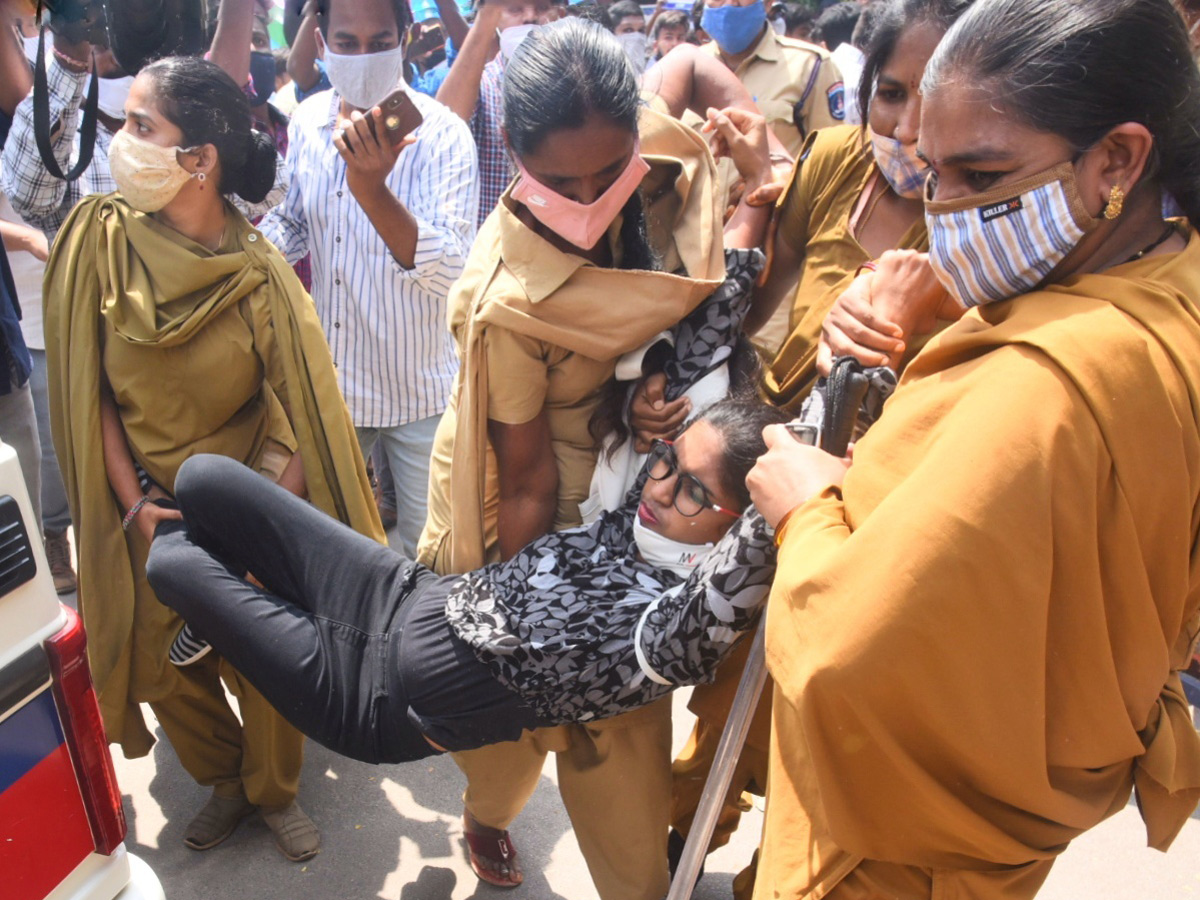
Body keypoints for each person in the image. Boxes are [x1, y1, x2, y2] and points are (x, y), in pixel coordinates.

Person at [750, 0, 1200, 896]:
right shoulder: (1168, 285)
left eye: (981, 173)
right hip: (1020, 795)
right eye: (931, 173)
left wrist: (808, 508)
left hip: (889, 838)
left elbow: (848, 664)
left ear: (1118, 156)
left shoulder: (1043, 387)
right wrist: (957, 318)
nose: (943, 210)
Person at [418, 18, 772, 896]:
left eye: (607, 175)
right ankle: (488, 813)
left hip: (637, 496)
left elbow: (688, 72)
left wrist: (641, 395)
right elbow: (531, 483)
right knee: (507, 732)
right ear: (514, 152)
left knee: (625, 753)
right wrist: (525, 631)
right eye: (557, 181)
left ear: (635, 140)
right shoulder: (508, 300)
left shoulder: (659, 167)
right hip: (528, 506)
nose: (586, 200)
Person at [646, 2, 972, 895]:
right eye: (892, 94)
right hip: (771, 467)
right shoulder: (836, 165)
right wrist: (687, 391)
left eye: (932, 99)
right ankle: (682, 839)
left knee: (811, 711)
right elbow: (756, 299)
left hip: (871, 508)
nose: (905, 126)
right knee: (724, 692)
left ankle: (771, 876)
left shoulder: (985, 228)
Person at [44, 56, 383, 863]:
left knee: (266, 657)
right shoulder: (98, 241)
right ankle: (224, 782)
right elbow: (88, 394)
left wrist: (252, 517)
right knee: (163, 668)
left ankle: (273, 792)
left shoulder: (260, 275)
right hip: (146, 500)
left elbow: (304, 416)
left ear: (198, 161)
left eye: (140, 128)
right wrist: (136, 507)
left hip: (252, 489)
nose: (121, 144)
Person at [147, 397, 781, 768]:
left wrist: (807, 472)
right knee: (206, 479)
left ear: (739, 522)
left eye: (696, 490)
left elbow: (746, 560)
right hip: (395, 592)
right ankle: (249, 600)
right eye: (668, 460)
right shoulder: (640, 516)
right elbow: (710, 327)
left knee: (170, 566)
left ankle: (237, 605)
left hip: (368, 698)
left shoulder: (672, 631)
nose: (662, 487)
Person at [259, 0, 478, 558]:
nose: (363, 56)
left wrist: (372, 190)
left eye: (379, 41)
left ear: (404, 39)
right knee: (334, 552)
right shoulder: (308, 121)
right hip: (337, 387)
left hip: (422, 393)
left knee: (433, 558)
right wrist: (250, 260)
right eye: (347, 43)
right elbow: (294, 219)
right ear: (323, 42)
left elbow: (452, 271)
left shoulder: (445, 136)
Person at [698, 0, 843, 157]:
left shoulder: (810, 66)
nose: (729, 4)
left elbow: (830, 158)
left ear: (768, 4)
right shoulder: (689, 67)